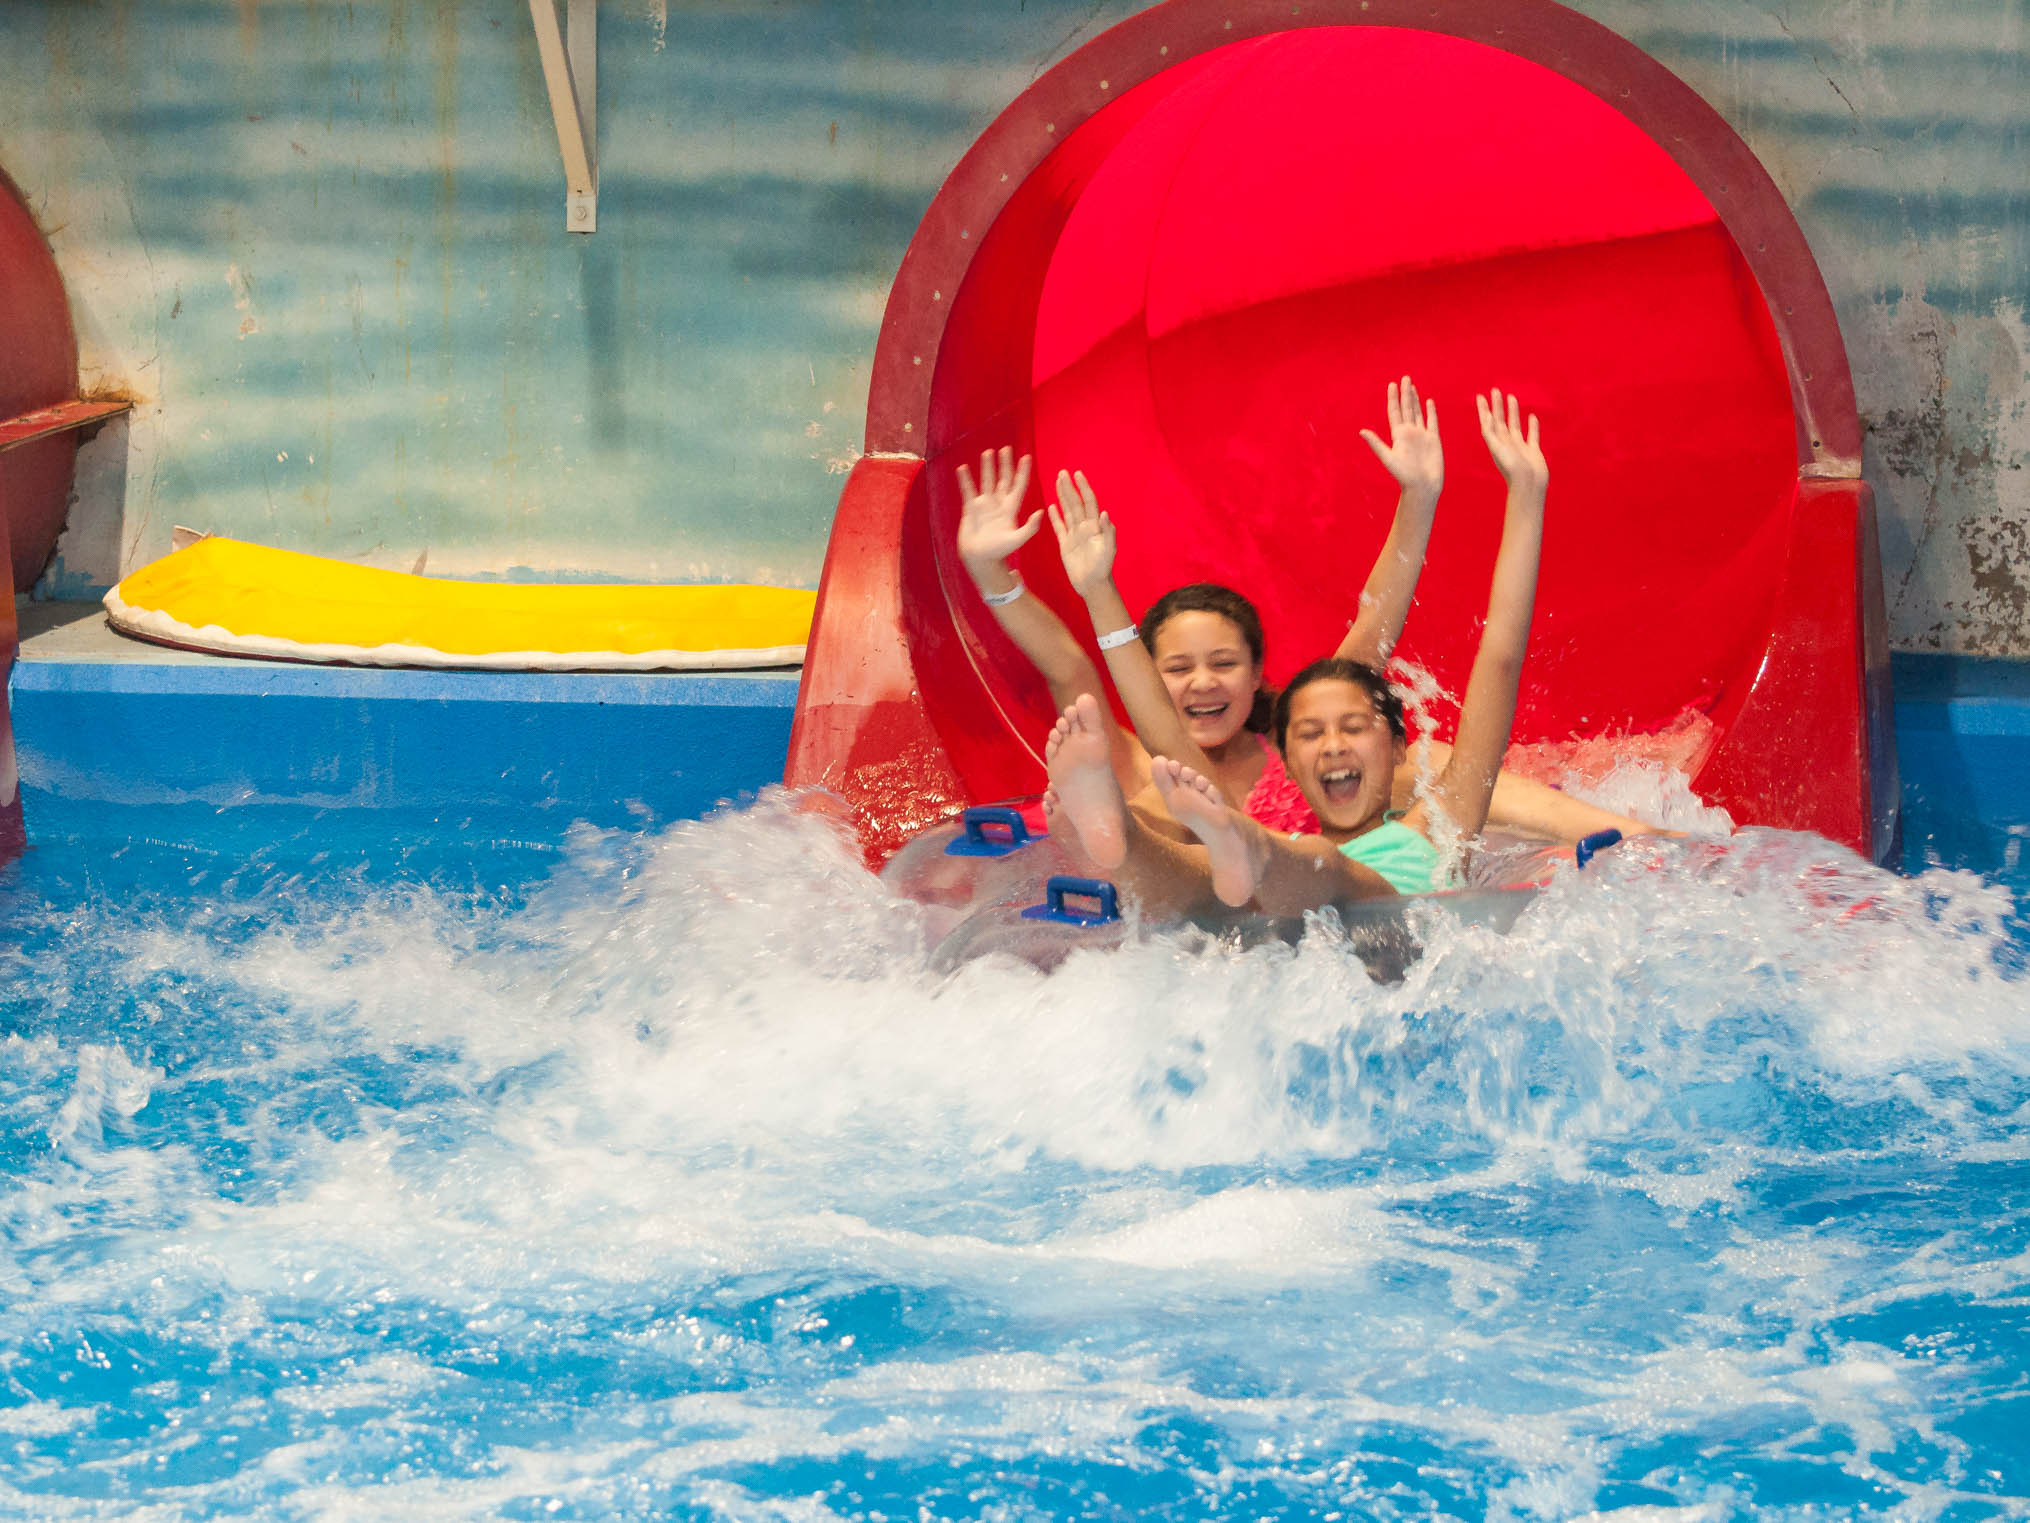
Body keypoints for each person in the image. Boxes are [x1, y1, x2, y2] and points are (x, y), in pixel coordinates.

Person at [956, 378, 1658, 847]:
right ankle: (1116, 837)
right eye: (1177, 667)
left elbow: (1385, 638)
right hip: (1231, 881)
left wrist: (1421, 498)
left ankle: (1633, 838)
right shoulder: (1152, 759)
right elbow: (1084, 672)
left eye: (1223, 662)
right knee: (1201, 822)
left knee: (1436, 768)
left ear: (1260, 672)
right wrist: (1003, 574)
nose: (1203, 681)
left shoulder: (1307, 746)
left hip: (1303, 874)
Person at [1042, 388, 1554, 914]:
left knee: (1310, 863)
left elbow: (1500, 657)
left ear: (1400, 747)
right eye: (1309, 734)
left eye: (1353, 727)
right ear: (1285, 760)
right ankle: (1120, 835)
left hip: (1380, 920)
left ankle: (1228, 845)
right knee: (1195, 879)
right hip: (1286, 921)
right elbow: (1164, 733)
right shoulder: (1273, 843)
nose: (1332, 745)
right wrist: (1100, 592)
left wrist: (1527, 494)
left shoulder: (1445, 817)